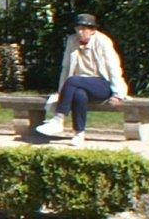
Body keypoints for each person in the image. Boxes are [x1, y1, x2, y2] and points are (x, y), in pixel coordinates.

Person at [35, 13, 128, 145]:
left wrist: (118, 94)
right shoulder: (71, 41)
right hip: (79, 84)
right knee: (79, 94)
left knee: (73, 80)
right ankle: (79, 134)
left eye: (84, 29)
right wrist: (62, 92)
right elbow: (65, 67)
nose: (80, 32)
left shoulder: (103, 41)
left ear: (92, 31)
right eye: (78, 28)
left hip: (103, 84)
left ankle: (58, 119)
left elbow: (113, 67)